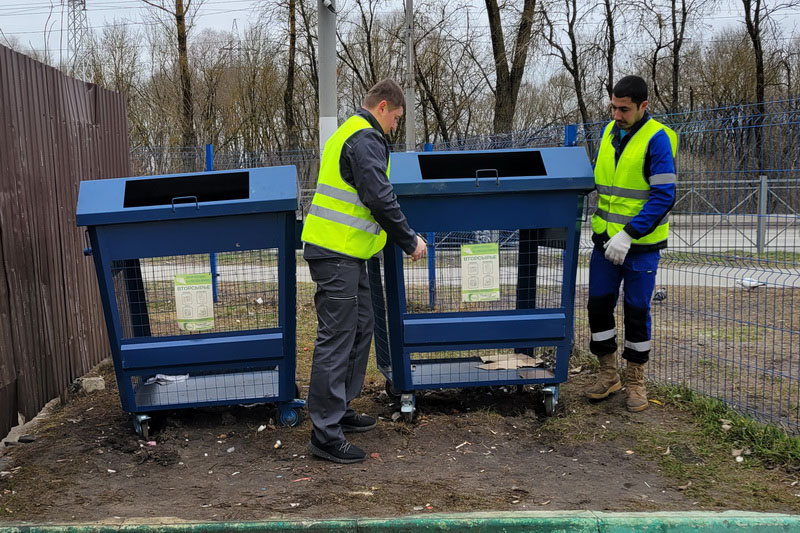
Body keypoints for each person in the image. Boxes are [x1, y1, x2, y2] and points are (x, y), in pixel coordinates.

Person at [300, 78, 427, 463]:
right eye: (396, 120)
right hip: (335, 254)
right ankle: (324, 433)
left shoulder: (350, 133)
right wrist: (409, 239)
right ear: (384, 106)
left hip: (348, 254)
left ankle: (340, 409)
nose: (394, 128)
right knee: (337, 338)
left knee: (360, 328)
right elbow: (378, 195)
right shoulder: (365, 138)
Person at [585, 75, 677, 412]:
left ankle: (636, 380)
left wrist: (629, 234)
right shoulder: (610, 133)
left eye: (624, 109)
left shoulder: (657, 140)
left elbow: (664, 194)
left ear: (643, 106)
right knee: (598, 307)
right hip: (605, 243)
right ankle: (608, 373)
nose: (616, 115)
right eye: (613, 107)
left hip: (640, 246)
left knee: (636, 312)